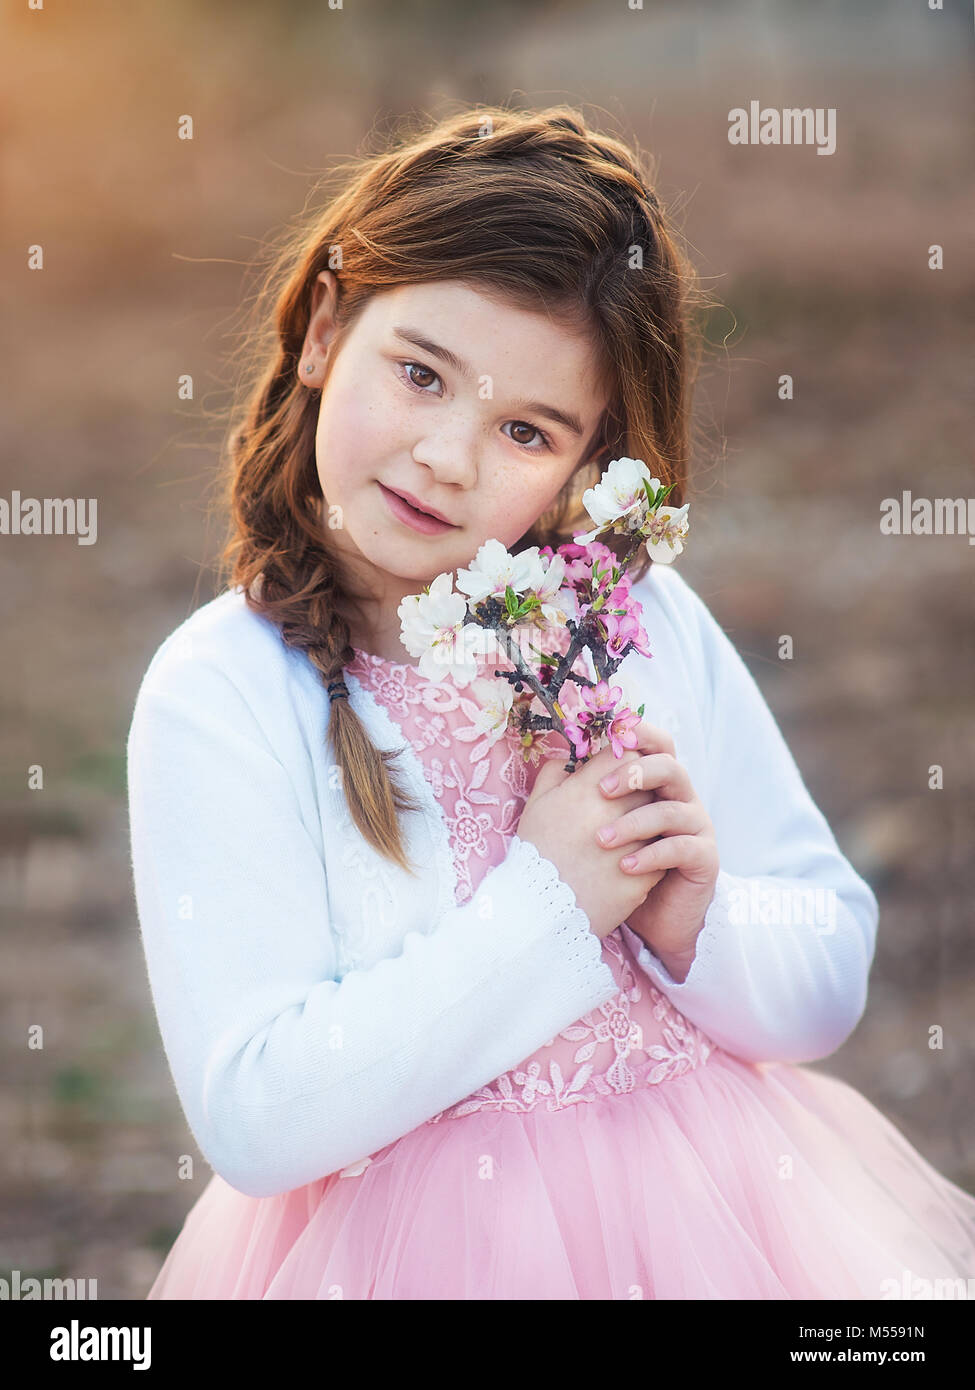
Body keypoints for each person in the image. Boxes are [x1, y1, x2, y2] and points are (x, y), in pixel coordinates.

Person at [127, 104, 975, 1299]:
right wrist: (554, 905)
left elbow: (830, 962)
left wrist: (700, 926)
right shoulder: (224, 689)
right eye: (419, 373)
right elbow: (259, 1113)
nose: (448, 457)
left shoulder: (637, 623)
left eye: (525, 428)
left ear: (590, 462)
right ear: (325, 328)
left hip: (716, 1226)